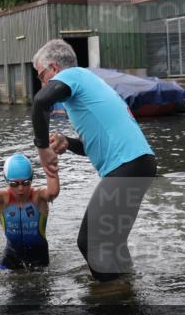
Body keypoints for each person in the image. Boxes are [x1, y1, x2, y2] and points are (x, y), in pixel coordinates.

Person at [30, 39, 157, 282]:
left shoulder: (73, 75)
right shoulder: (88, 83)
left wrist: (43, 148)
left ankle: (111, 302)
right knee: (112, 243)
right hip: (139, 163)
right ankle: (128, 295)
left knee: (90, 242)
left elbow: (40, 102)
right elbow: (96, 146)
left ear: (55, 69)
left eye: (41, 75)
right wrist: (69, 142)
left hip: (127, 165)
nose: (42, 82)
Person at [0, 153, 59, 270]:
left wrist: (51, 167)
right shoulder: (3, 198)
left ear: (31, 179)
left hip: (39, 256)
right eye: (14, 184)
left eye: (25, 183)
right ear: (7, 181)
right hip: (11, 255)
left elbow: (53, 192)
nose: (20, 188)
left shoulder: (38, 197)